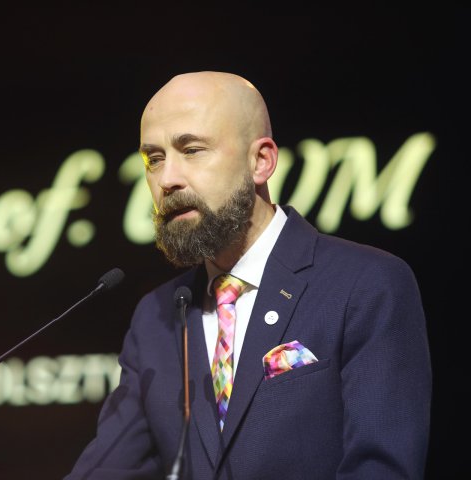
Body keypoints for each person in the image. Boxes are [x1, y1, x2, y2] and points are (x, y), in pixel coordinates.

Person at [65, 72, 431, 479]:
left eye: (192, 150)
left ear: (261, 161)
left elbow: (381, 467)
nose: (167, 179)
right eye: (154, 159)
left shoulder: (365, 284)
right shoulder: (156, 317)